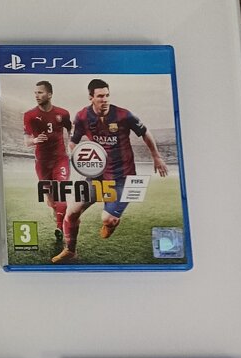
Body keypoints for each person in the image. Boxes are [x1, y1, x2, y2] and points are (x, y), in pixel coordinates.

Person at [52, 77, 168, 264]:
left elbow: (145, 132)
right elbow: (73, 142)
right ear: (91, 97)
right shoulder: (82, 116)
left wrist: (156, 156)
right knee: (72, 212)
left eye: (107, 95)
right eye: (100, 96)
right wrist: (78, 159)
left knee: (108, 219)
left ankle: (111, 222)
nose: (105, 99)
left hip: (124, 177)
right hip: (97, 175)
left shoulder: (124, 115)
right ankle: (70, 251)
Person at [23, 80, 71, 242]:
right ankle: (57, 214)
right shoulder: (29, 115)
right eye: (35, 93)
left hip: (60, 160)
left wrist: (71, 146)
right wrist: (35, 140)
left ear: (49, 94)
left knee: (61, 191)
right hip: (42, 162)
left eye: (40, 92)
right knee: (50, 200)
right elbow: (26, 142)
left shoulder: (63, 113)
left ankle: (59, 227)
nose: (37, 95)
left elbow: (71, 130)